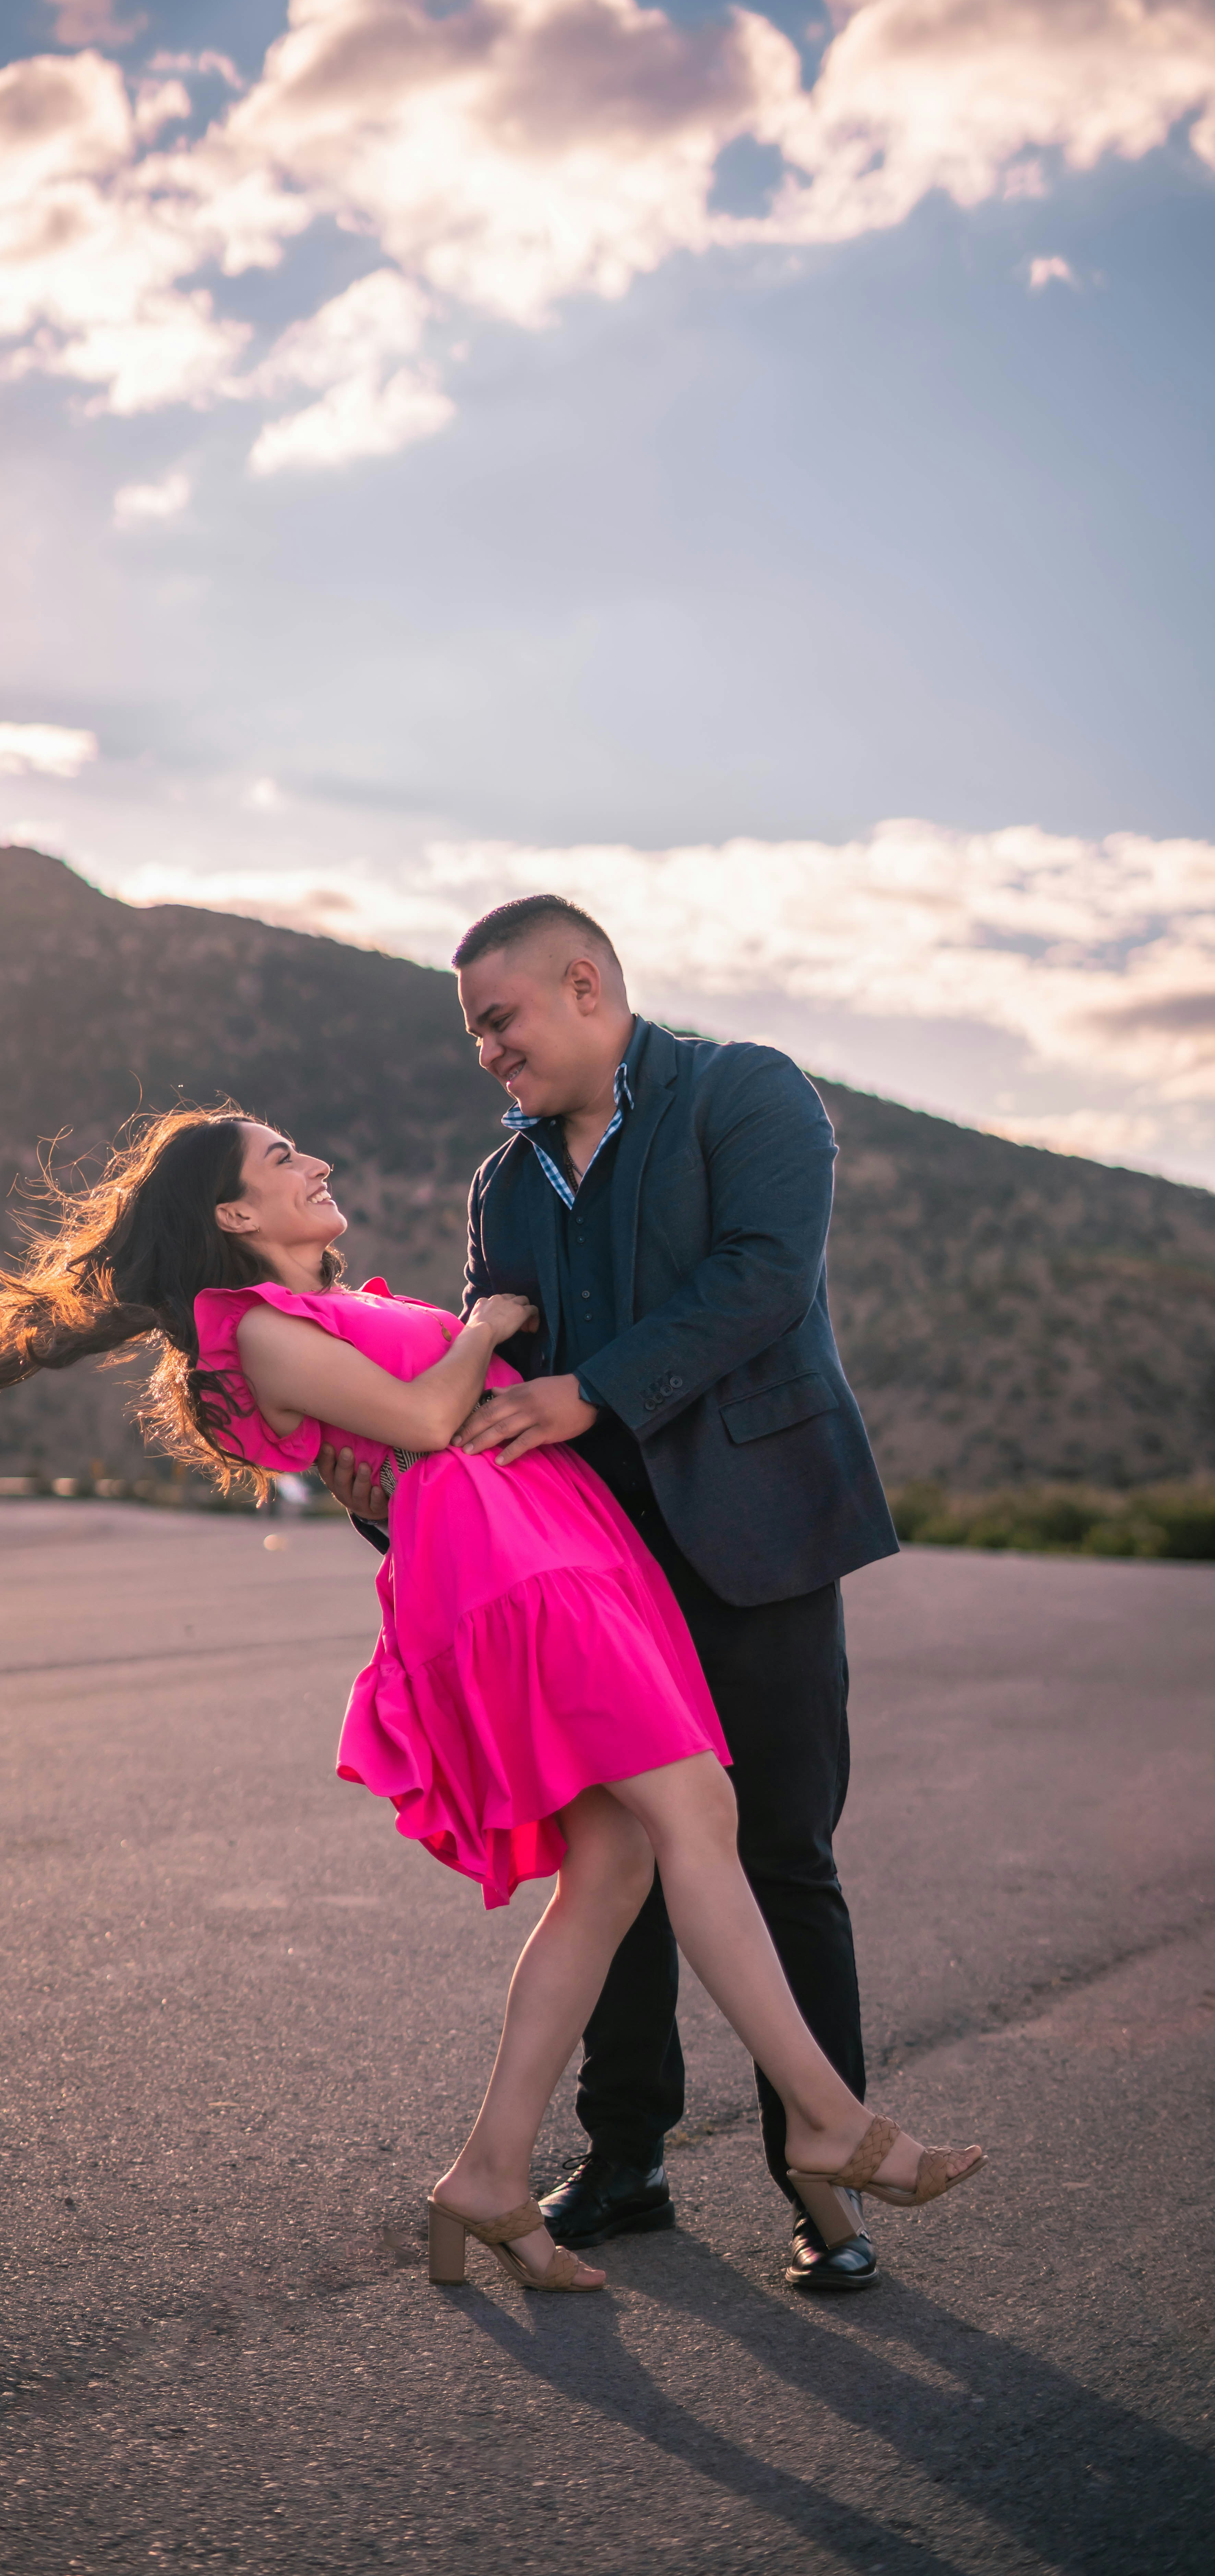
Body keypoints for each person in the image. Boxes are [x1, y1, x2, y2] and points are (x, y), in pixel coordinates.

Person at [0, 1105, 980, 2294]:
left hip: (549, 1550)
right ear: (234, 1216)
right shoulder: (250, 1329)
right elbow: (418, 1421)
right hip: (514, 1576)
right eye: (283, 1160)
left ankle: (491, 2176)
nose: (318, 1163)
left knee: (615, 1868)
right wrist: (488, 1326)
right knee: (700, 1816)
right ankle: (825, 2121)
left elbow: (402, 1433)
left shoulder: (307, 1313)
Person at [319, 892, 902, 2290]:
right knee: (614, 1865)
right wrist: (399, 1481)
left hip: (757, 1542)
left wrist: (596, 1391)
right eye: (475, 1035)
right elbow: (490, 1374)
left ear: (585, 984)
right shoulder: (503, 1185)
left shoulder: (749, 1092)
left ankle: (820, 2184)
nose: (486, 1055)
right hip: (587, 1573)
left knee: (781, 1854)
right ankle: (624, 2159)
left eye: (498, 1021)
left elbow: (763, 1282)